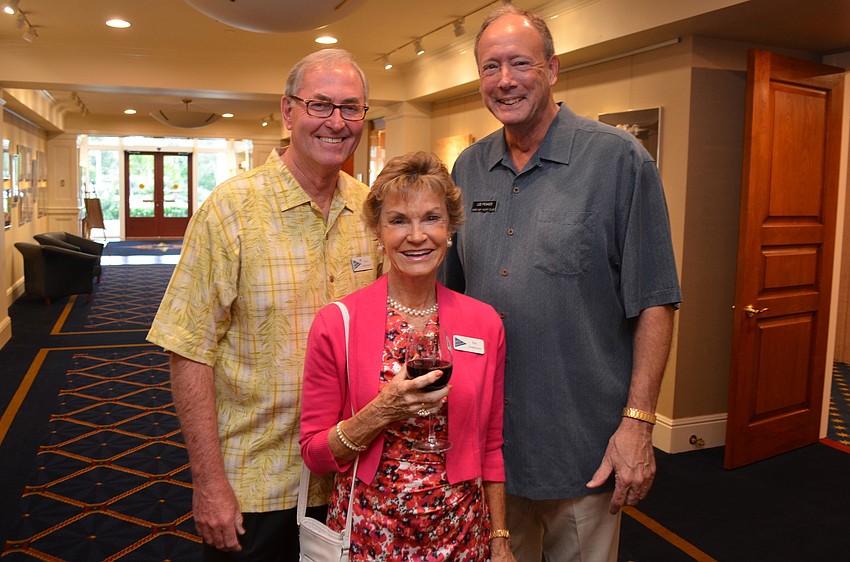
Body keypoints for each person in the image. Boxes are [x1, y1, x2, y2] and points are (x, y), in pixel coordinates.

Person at [442, 6, 683, 561]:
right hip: (490, 445)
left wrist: (639, 425)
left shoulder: (619, 160)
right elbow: (449, 300)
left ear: (552, 69)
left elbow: (656, 300)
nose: (505, 80)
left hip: (584, 445)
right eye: (490, 67)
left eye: (520, 63)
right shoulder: (468, 168)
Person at [147, 49, 382, 561]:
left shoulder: (369, 213)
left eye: (351, 108)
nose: (336, 123)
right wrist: (209, 482)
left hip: (350, 476)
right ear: (288, 111)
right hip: (256, 482)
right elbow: (188, 351)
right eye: (320, 105)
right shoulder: (229, 211)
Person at [300, 151, 516, 561]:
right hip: (368, 533)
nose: (417, 236)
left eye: (431, 218)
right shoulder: (336, 323)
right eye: (399, 220)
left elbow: (490, 444)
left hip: (462, 532)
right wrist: (382, 410)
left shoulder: (484, 323)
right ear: (378, 232)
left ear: (450, 228)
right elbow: (316, 454)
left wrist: (500, 540)